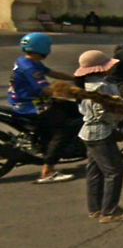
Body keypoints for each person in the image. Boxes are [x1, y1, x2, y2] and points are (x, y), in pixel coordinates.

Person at [74, 49, 123, 222]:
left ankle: (96, 208)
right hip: (101, 133)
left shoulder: (85, 85)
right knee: (114, 171)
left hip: (88, 132)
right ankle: (109, 212)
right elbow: (109, 112)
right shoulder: (102, 87)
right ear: (100, 69)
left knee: (95, 170)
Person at [7, 33, 78, 182]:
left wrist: (76, 78)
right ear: (43, 47)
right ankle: (48, 170)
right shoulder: (30, 68)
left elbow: (51, 72)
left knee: (72, 109)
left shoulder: (27, 61)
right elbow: (46, 90)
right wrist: (75, 93)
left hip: (24, 101)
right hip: (31, 105)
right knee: (65, 127)